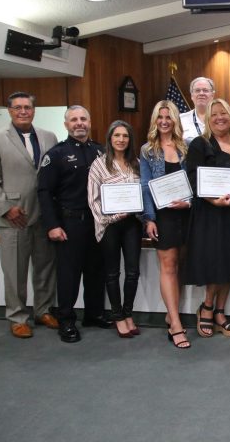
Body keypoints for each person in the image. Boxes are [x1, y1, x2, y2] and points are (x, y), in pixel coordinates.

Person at [0, 92, 58, 338]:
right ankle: (17, 316)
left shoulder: (48, 137)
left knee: (45, 267)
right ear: (9, 111)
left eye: (27, 107)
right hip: (14, 217)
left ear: (34, 110)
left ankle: (43, 310)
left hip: (44, 214)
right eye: (18, 108)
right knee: (15, 270)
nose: (23, 111)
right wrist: (5, 207)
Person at [37, 106, 111, 343]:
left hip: (97, 222)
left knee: (96, 270)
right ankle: (67, 320)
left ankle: (93, 313)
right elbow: (44, 192)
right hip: (70, 223)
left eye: (83, 119)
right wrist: (52, 225)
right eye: (74, 120)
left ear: (90, 122)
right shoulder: (56, 154)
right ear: (66, 124)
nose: (79, 123)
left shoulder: (101, 150)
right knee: (69, 275)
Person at [183, 98, 230, 339]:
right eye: (215, 115)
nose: (220, 118)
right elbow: (192, 179)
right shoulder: (200, 145)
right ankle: (207, 307)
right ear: (207, 119)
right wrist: (213, 200)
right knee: (216, 262)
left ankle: (221, 311)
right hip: (211, 214)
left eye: (224, 114)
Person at [140, 100, 192, 349]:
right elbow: (145, 187)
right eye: (159, 117)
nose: (164, 121)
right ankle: (176, 324)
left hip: (185, 214)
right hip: (163, 217)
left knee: (180, 265)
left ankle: (171, 314)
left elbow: (194, 181)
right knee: (168, 266)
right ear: (154, 120)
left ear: (175, 120)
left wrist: (189, 203)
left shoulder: (187, 148)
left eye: (168, 117)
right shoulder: (148, 151)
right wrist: (149, 218)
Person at [88, 121, 142, 338]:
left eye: (125, 136)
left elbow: (142, 193)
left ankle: (128, 313)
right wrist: (110, 216)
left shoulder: (136, 163)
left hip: (132, 224)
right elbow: (93, 199)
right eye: (117, 135)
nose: (121, 139)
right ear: (110, 138)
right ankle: (117, 316)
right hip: (109, 225)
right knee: (112, 273)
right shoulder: (99, 165)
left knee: (133, 272)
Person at [179, 76, 230, 144]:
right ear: (192, 95)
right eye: (197, 90)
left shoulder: (225, 119)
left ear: (212, 95)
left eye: (205, 90)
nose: (201, 93)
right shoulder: (180, 119)